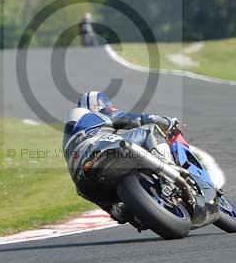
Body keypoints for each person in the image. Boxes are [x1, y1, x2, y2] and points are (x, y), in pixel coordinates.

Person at [63, 91, 178, 222]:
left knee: (120, 213)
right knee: (150, 130)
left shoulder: (70, 136)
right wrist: (166, 121)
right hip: (100, 151)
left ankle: (116, 210)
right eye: (106, 105)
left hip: (84, 185)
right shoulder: (94, 116)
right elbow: (138, 120)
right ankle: (169, 168)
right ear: (99, 106)